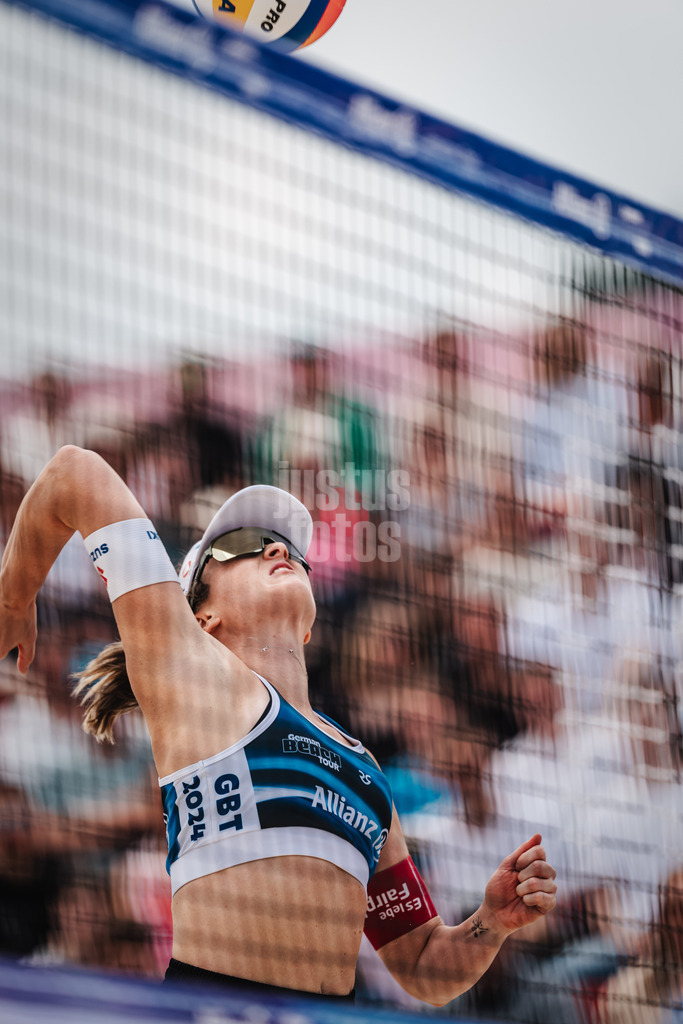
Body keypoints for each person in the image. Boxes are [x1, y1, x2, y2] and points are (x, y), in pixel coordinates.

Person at [0, 445, 558, 1004]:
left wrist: (490, 922)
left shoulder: (362, 768)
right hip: (214, 1010)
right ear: (201, 616)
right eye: (241, 546)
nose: (275, 547)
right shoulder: (191, 673)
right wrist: (11, 598)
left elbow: (421, 965)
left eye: (289, 549)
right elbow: (74, 473)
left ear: (311, 623)